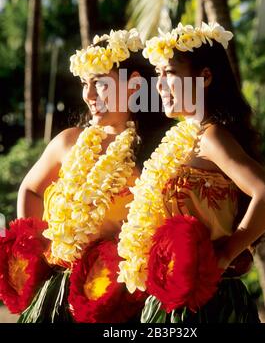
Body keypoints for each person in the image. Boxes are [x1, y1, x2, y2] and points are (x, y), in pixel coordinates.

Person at [117, 22, 265, 323]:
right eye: (158, 76)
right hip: (172, 297)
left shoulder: (212, 137)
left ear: (204, 77)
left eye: (169, 74)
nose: (159, 86)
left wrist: (227, 253)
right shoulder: (183, 138)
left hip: (207, 302)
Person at [15, 28, 170, 323]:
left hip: (117, 299)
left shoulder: (156, 154)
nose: (88, 95)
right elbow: (30, 190)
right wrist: (36, 249)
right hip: (56, 291)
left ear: (134, 87)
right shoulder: (68, 141)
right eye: (85, 84)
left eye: (99, 84)